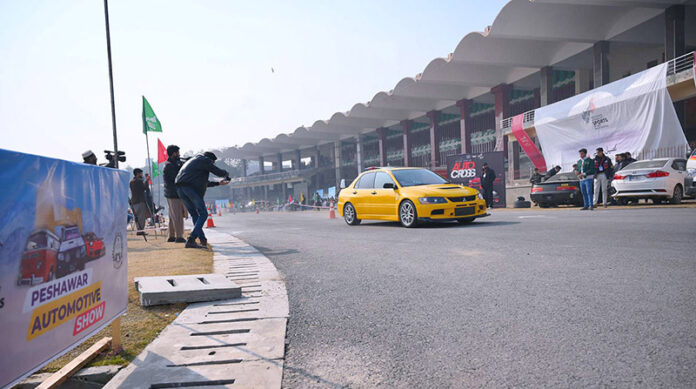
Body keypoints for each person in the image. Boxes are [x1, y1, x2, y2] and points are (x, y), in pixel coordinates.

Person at [175, 151, 230, 248]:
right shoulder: (204, 160)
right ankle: (191, 239)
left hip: (180, 189)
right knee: (203, 213)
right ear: (211, 160)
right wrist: (226, 173)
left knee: (195, 214)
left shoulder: (195, 160)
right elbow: (218, 172)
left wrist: (218, 183)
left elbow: (204, 182)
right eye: (212, 163)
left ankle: (202, 239)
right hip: (189, 188)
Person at [163, 145, 187, 243]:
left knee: (173, 216)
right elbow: (176, 178)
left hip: (171, 193)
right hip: (174, 194)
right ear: (174, 153)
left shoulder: (171, 164)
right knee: (177, 216)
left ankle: (172, 236)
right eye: (178, 153)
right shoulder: (169, 166)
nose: (179, 155)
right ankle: (179, 236)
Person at [130, 169, 149, 235]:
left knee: (137, 217)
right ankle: (140, 230)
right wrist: (147, 180)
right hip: (140, 200)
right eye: (141, 173)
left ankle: (139, 229)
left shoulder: (131, 182)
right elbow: (145, 188)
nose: (142, 175)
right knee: (141, 217)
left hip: (134, 201)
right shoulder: (139, 181)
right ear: (138, 174)